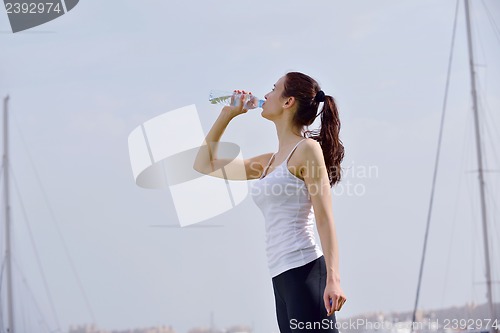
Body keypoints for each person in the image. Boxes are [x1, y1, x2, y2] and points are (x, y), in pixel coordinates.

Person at [193, 72, 346, 332]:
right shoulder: (269, 162)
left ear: (288, 102)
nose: (265, 96)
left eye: (273, 89)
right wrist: (227, 115)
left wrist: (334, 278)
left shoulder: (307, 150)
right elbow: (203, 164)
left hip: (305, 270)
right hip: (281, 276)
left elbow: (324, 217)